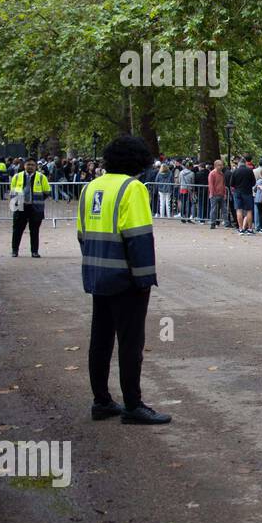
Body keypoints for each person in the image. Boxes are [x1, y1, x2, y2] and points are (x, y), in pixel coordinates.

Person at [77, 136, 170, 425]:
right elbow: (139, 238)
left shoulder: (91, 187)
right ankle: (133, 404)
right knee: (130, 343)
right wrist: (144, 279)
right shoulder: (133, 188)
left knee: (100, 340)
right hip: (126, 277)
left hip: (97, 273)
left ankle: (101, 400)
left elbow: (82, 234)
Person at [9, 157, 50, 258]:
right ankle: (15, 250)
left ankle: (34, 251)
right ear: (24, 166)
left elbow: (47, 192)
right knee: (17, 230)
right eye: (28, 164)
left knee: (35, 231)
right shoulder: (17, 177)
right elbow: (12, 192)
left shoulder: (41, 177)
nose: (30, 167)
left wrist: (37, 200)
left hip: (35, 208)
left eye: (32, 165)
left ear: (36, 166)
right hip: (19, 206)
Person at [230, 157, 256, 235]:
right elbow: (253, 182)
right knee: (249, 210)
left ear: (239, 164)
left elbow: (231, 184)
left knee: (239, 210)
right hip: (247, 192)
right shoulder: (249, 171)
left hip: (237, 192)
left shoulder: (235, 171)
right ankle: (250, 229)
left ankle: (241, 228)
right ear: (245, 163)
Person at [207, 159, 227, 229]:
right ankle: (213, 223)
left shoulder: (222, 174)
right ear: (215, 166)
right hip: (214, 195)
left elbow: (223, 184)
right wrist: (212, 193)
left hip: (221, 194)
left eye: (222, 165)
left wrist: (224, 193)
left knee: (224, 209)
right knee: (214, 210)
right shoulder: (212, 174)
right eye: (219, 165)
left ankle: (226, 223)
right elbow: (211, 184)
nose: (221, 166)